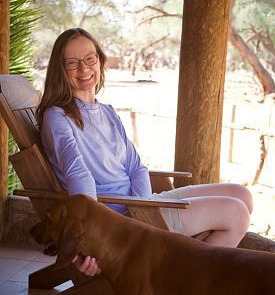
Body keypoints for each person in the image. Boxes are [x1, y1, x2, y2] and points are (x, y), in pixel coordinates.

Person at [36, 28, 253, 277]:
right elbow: (79, 176)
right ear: (60, 70)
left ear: (100, 60)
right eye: (72, 63)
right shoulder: (58, 117)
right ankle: (178, 281)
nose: (84, 69)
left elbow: (136, 168)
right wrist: (90, 237)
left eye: (89, 59)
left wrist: (143, 210)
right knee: (236, 214)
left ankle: (174, 267)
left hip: (139, 208)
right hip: (114, 220)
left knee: (241, 194)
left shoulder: (106, 112)